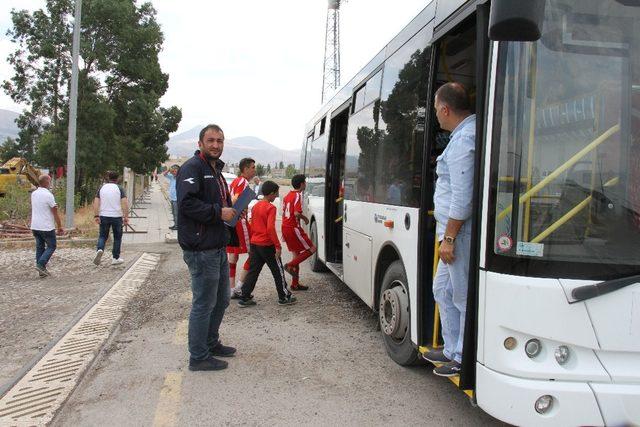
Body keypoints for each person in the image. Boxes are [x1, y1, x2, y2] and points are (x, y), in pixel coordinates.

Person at [422, 82, 475, 377]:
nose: (436, 116)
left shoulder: (465, 138)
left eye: (435, 110)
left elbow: (463, 197)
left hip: (458, 233)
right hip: (451, 232)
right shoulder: (461, 135)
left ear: (445, 109)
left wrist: (451, 238)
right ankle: (451, 347)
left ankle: (463, 357)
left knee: (461, 296)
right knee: (442, 288)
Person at [177, 124, 237, 371]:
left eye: (220, 141)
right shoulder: (193, 168)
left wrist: (231, 213)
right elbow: (187, 204)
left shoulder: (215, 169)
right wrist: (218, 212)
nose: (216, 145)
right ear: (200, 142)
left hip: (217, 244)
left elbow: (219, 201)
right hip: (201, 249)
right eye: (211, 140)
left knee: (222, 299)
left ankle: (211, 342)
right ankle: (198, 356)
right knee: (204, 302)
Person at [237, 181, 296, 307]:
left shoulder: (256, 206)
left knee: (253, 270)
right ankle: (284, 296)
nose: (276, 196)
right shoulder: (271, 208)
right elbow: (270, 229)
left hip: (255, 243)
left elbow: (252, 223)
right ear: (271, 193)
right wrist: (278, 246)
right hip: (267, 244)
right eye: (276, 194)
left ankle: (245, 296)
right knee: (277, 270)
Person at [281, 174, 316, 290]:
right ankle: (289, 265)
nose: (305, 184)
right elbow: (296, 213)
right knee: (312, 249)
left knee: (296, 255)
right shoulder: (297, 195)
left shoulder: (287, 196)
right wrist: (305, 218)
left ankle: (295, 284)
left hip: (285, 227)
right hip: (293, 227)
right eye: (305, 182)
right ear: (301, 184)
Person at [227, 157, 256, 297]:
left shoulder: (234, 181)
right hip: (240, 222)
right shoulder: (243, 182)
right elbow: (235, 200)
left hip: (232, 222)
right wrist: (239, 210)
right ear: (245, 169)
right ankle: (239, 286)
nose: (254, 170)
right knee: (254, 253)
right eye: (253, 167)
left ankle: (231, 289)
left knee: (233, 256)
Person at [92, 171, 129, 266]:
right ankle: (115, 258)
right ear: (118, 178)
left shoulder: (102, 188)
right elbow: (124, 203)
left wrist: (96, 215)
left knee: (102, 236)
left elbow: (96, 202)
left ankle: (100, 249)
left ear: (108, 177)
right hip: (116, 216)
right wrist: (126, 216)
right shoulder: (120, 188)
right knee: (117, 237)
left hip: (104, 215)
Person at [30, 174, 63, 277]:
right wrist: (59, 226)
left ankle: (41, 270)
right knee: (52, 246)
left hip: (35, 225)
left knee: (40, 247)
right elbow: (55, 212)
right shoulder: (48, 195)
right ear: (47, 182)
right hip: (46, 226)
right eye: (49, 181)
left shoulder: (34, 194)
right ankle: (41, 264)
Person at [163, 164, 180, 230]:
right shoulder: (172, 177)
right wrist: (169, 169)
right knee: (173, 213)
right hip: (172, 198)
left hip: (177, 199)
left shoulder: (180, 177)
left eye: (175, 171)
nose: (174, 173)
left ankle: (177, 226)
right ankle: (175, 224)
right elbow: (164, 174)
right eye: (173, 171)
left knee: (176, 213)